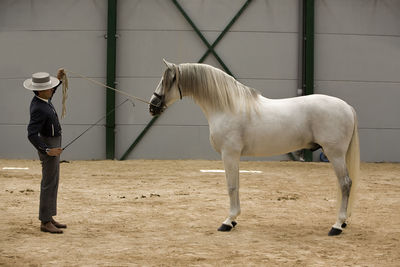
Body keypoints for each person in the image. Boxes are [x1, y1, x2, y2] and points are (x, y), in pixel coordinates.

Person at [24, 70, 67, 234]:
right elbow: (31, 134)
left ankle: (49, 216)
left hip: (53, 144)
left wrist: (58, 79)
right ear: (41, 90)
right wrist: (47, 149)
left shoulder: (43, 99)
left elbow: (52, 91)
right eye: (50, 87)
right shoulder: (38, 108)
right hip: (48, 145)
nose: (52, 89)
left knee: (53, 181)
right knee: (49, 183)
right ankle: (45, 221)